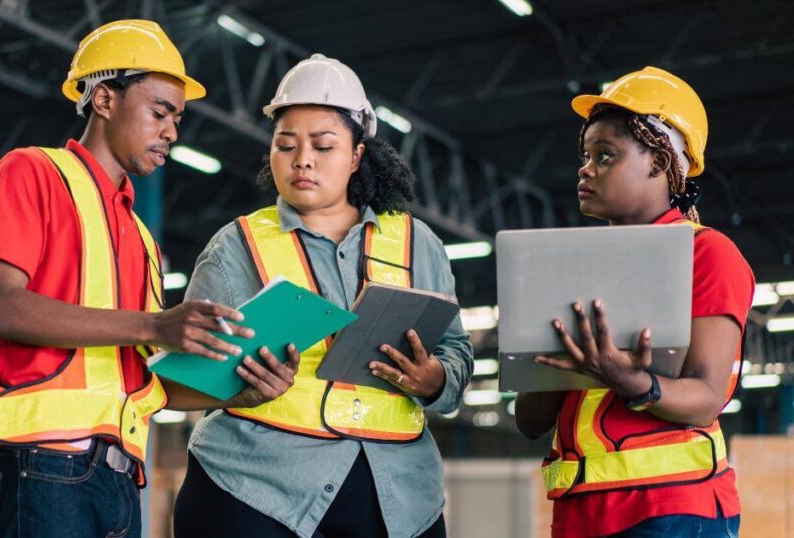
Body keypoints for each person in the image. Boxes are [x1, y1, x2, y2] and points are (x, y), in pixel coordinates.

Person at [0, 20, 297, 538]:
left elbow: (144, 383)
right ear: (103, 99)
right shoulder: (33, 172)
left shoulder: (142, 238)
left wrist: (238, 391)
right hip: (42, 468)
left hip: (121, 481)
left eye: (177, 118)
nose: (172, 131)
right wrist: (155, 325)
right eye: (160, 111)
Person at [172, 54, 474, 538]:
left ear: (357, 154)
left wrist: (433, 378)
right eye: (285, 145)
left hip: (396, 497)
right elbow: (182, 377)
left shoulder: (419, 244)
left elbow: (456, 352)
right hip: (254, 490)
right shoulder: (236, 246)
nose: (302, 160)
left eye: (323, 145)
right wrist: (241, 387)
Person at [514, 66, 754, 537]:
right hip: (580, 514)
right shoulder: (568, 268)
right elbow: (529, 420)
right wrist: (561, 361)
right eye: (585, 155)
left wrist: (632, 380)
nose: (586, 168)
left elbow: (706, 397)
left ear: (660, 164)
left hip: (673, 510)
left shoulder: (706, 253)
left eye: (605, 155)